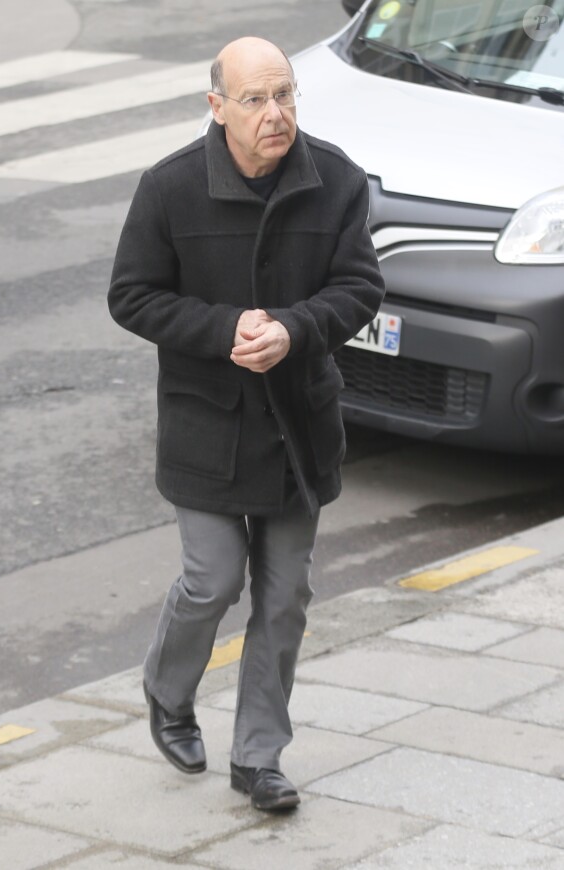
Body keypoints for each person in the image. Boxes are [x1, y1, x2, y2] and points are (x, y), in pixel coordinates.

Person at [108, 36, 385, 812]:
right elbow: (132, 296)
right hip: (206, 423)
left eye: (286, 95)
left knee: (285, 593)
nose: (276, 114)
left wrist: (295, 330)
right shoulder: (168, 188)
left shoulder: (334, 179)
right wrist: (228, 328)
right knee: (213, 576)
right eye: (257, 100)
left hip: (297, 424)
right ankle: (168, 690)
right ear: (217, 106)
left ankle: (259, 757)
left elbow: (361, 285)